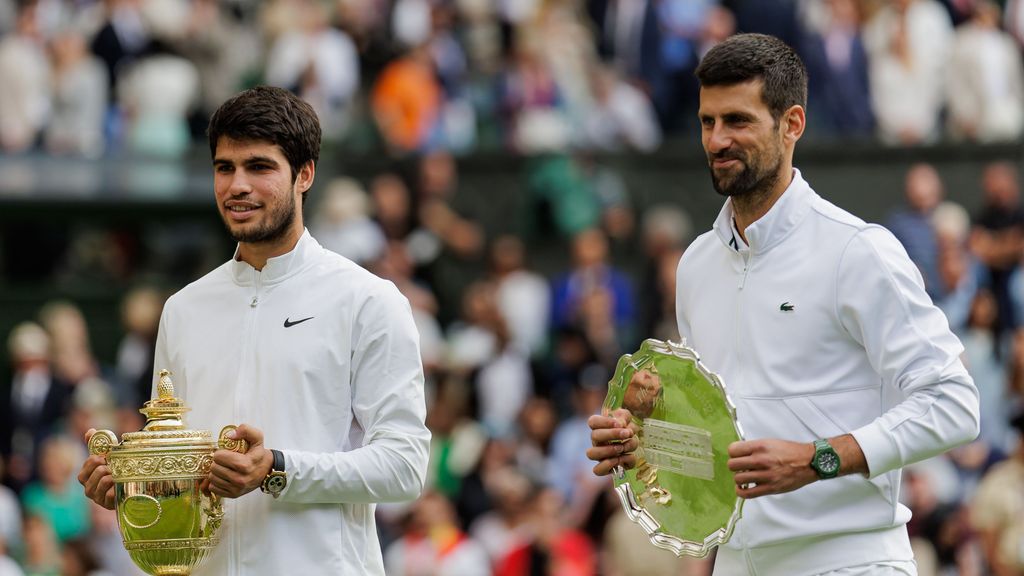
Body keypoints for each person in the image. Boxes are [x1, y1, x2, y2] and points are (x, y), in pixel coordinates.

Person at [587, 34, 979, 576]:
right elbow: (715, 448)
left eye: (737, 121)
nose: (717, 140)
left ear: (792, 124)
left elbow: (954, 404)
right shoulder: (696, 266)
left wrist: (816, 459)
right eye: (707, 122)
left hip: (853, 561)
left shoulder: (857, 251)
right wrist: (642, 444)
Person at [77, 86, 431, 575]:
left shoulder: (369, 300)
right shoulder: (183, 309)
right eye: (225, 168)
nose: (236, 185)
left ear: (304, 174)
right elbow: (182, 475)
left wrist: (278, 469)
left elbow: (404, 467)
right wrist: (130, 482)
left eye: (259, 167)